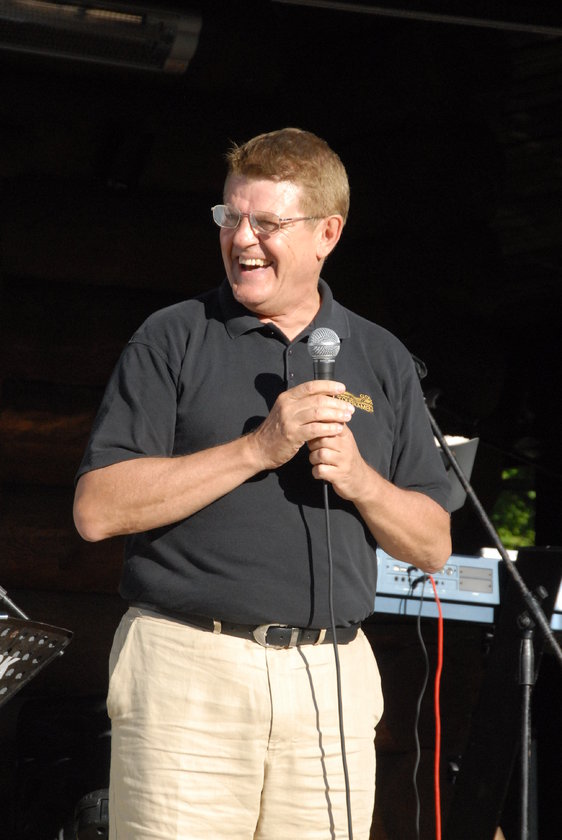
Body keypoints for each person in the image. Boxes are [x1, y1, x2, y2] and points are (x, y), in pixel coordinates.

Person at [73, 127, 451, 840]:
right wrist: (259, 448)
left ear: (327, 233)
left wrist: (361, 480)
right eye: (230, 217)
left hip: (330, 679)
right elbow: (96, 511)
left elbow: (433, 546)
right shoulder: (172, 337)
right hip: (190, 668)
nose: (242, 239)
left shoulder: (383, 358)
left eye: (267, 223)